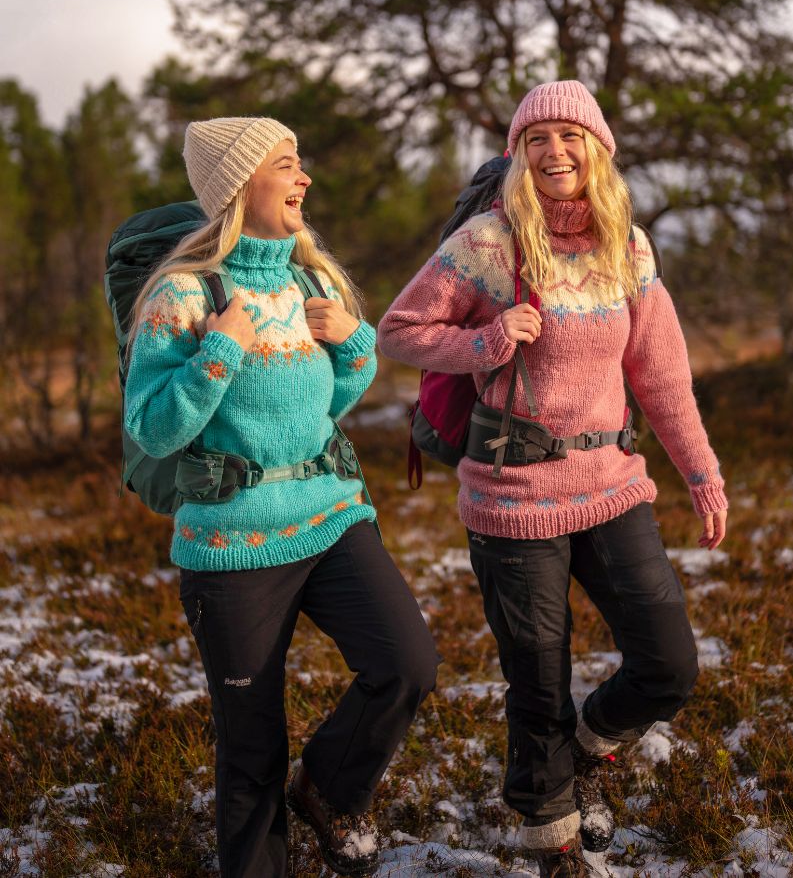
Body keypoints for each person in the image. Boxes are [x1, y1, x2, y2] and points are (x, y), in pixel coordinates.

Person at [377, 81, 728, 876]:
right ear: (518, 154)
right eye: (537, 139)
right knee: (537, 684)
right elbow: (398, 330)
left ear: (597, 150)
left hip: (611, 485)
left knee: (669, 662)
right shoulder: (489, 245)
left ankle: (584, 752)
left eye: (570, 136)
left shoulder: (627, 248)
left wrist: (702, 474)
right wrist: (486, 341)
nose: (555, 152)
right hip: (511, 495)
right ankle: (554, 842)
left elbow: (663, 378)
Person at [124, 116, 440, 878]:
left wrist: (355, 342)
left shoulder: (314, 278)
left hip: (332, 517)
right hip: (233, 546)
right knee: (251, 750)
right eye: (288, 164)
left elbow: (324, 404)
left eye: (301, 164)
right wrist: (220, 350)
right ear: (240, 186)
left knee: (407, 663)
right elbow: (152, 428)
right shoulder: (183, 294)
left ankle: (328, 791)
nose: (304, 179)